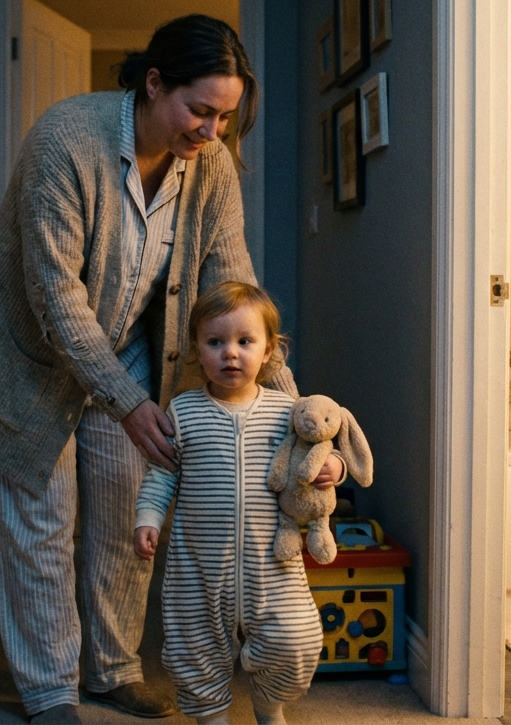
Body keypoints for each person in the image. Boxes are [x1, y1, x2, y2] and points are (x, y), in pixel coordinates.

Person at [0, 15, 342, 725]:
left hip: (125, 347)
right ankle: (49, 692)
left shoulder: (212, 166)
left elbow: (233, 284)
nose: (212, 130)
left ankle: (112, 668)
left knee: (129, 510)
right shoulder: (66, 140)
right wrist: (131, 404)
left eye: (225, 116)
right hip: (25, 352)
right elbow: (57, 299)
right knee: (41, 522)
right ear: (154, 84)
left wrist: (294, 409)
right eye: (200, 110)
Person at [134, 282, 341, 725]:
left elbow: (320, 449)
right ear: (197, 350)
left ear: (269, 352)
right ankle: (210, 717)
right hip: (198, 567)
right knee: (194, 648)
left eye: (245, 341)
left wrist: (335, 469)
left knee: (296, 640)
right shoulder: (183, 411)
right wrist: (147, 519)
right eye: (216, 342)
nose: (231, 353)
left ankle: (270, 706)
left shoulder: (288, 410)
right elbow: (161, 473)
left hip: (275, 565)